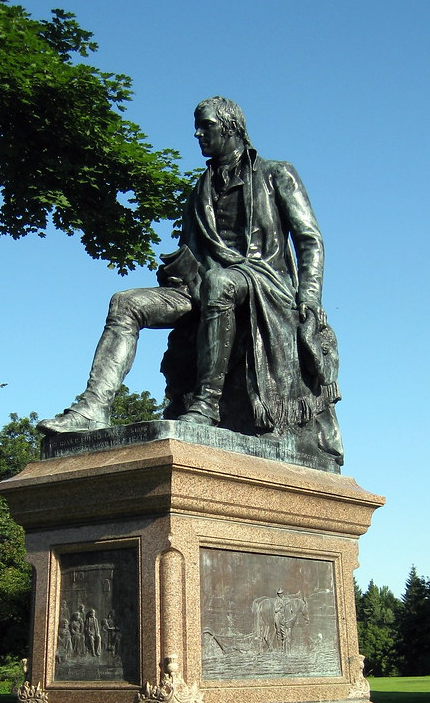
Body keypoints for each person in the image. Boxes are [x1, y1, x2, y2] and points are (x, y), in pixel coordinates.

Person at [38, 97, 342, 465]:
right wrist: (178, 269)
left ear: (229, 127)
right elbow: (193, 249)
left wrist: (309, 297)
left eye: (206, 125)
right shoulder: (200, 188)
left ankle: (208, 403)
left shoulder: (277, 173)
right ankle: (93, 408)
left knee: (220, 283)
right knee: (126, 302)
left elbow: (309, 240)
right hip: (200, 287)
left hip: (263, 282)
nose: (197, 134)